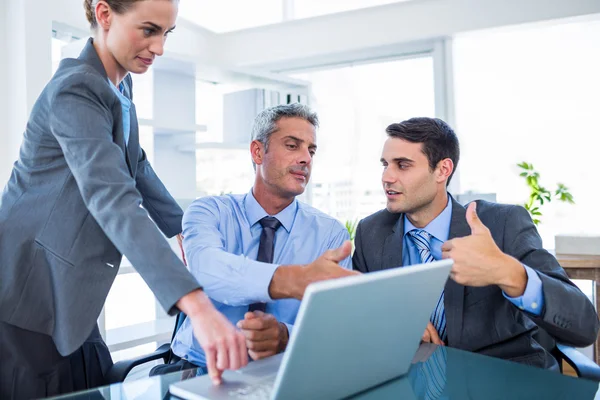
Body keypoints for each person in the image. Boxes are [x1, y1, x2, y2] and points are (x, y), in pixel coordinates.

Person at [0, 1, 246, 397]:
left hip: (71, 291)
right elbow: (112, 195)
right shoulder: (75, 88)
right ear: (104, 13)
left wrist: (184, 230)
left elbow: (137, 165)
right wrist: (196, 305)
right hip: (27, 290)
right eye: (148, 30)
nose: (160, 47)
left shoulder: (120, 84)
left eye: (166, 33)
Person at [352, 117, 599, 369]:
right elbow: (359, 312)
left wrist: (509, 272)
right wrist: (395, 320)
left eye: (402, 165)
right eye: (385, 165)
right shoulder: (371, 232)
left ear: (442, 170)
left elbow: (584, 327)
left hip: (499, 379)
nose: (387, 177)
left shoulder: (501, 224)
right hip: (411, 379)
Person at [153, 104, 355, 374]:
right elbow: (206, 270)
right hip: (198, 369)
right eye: (293, 146)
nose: (306, 158)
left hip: (285, 373)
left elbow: (338, 324)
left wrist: (286, 336)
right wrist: (292, 279)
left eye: (311, 149)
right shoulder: (208, 212)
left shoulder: (330, 234)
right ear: (258, 152)